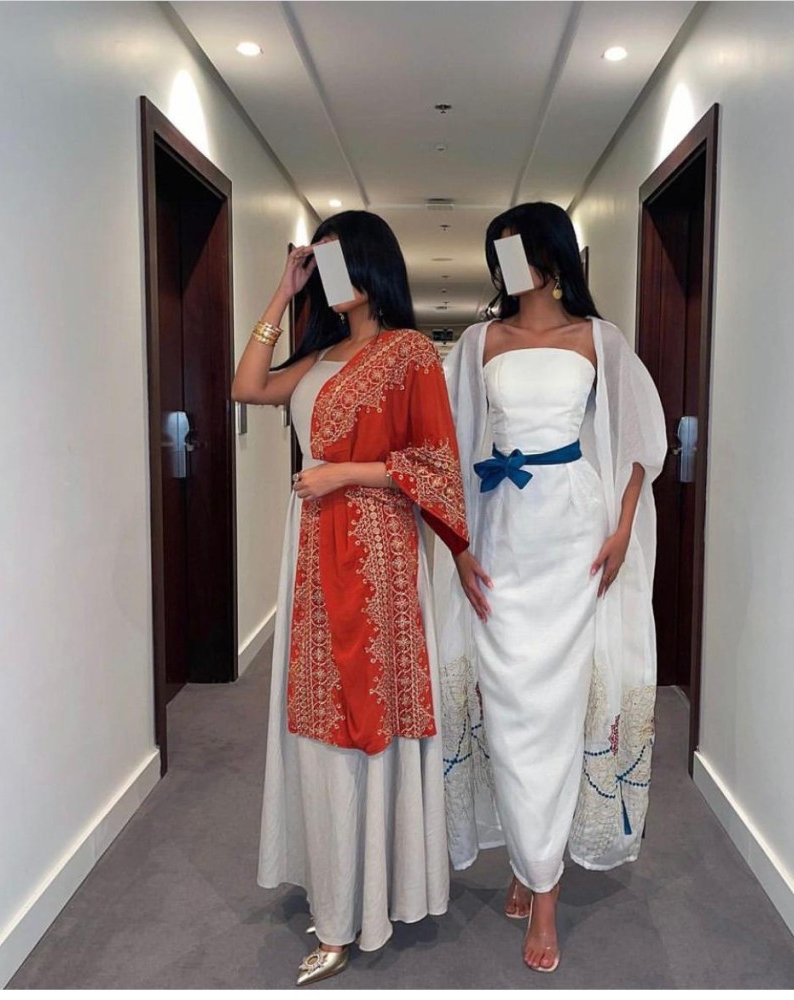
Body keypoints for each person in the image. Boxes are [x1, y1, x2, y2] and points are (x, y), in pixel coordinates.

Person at [232, 211, 469, 986]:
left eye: (336, 263)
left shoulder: (408, 354)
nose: (326, 279)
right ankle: (335, 886)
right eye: (318, 265)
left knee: (366, 711)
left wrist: (345, 473)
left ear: (368, 265)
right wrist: (282, 291)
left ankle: (367, 897)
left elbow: (438, 468)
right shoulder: (319, 354)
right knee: (317, 716)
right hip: (310, 551)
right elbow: (246, 386)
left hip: (376, 554)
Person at [433, 202, 666, 973]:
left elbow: (638, 442)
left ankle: (544, 892)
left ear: (550, 255)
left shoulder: (599, 339)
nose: (506, 266)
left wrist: (622, 527)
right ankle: (524, 856)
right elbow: (446, 445)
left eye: (516, 251)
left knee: (560, 708)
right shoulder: (477, 343)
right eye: (495, 253)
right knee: (506, 708)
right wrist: (458, 546)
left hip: (572, 532)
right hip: (500, 530)